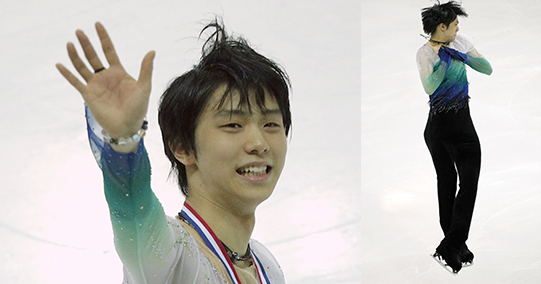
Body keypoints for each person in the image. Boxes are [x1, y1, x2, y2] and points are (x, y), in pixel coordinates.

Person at [56, 20, 290, 284]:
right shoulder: (168, 255)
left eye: (271, 124)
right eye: (233, 125)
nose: (259, 143)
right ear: (182, 147)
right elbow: (133, 207)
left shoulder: (266, 266)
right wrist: (125, 144)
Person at [416, 1, 492, 273]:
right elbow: (429, 87)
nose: (459, 27)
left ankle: (451, 243)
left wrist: (465, 57)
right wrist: (444, 63)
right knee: (448, 184)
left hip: (464, 125)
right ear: (441, 27)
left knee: (469, 183)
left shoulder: (461, 42)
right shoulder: (424, 54)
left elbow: (487, 68)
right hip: (439, 129)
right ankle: (456, 246)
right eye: (455, 23)